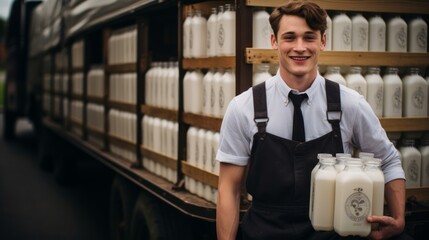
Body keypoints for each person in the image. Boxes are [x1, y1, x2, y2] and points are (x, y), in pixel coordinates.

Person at [216, 1, 409, 240]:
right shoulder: (243, 107)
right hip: (265, 231)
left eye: (309, 37)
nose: (300, 47)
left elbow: (388, 160)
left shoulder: (350, 103)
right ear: (274, 42)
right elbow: (229, 189)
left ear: (323, 42)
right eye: (289, 37)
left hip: (332, 232)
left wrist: (399, 219)